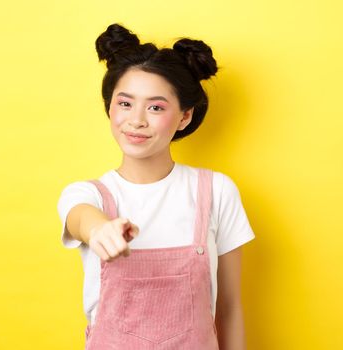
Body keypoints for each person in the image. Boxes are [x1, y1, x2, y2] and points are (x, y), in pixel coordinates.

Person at [57, 23, 256, 350]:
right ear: (109, 107)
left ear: (184, 117)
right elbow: (80, 217)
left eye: (156, 107)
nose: (136, 120)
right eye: (125, 103)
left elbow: (231, 308)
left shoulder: (216, 191)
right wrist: (99, 231)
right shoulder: (88, 195)